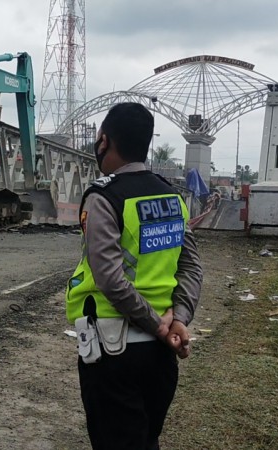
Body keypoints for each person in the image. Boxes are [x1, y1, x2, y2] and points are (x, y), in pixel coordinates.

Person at [65, 103, 203, 450]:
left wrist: (157, 325)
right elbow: (191, 266)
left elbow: (110, 278)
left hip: (114, 350)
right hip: (161, 354)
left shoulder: (104, 196)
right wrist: (178, 320)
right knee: (145, 439)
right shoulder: (171, 195)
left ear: (104, 141)